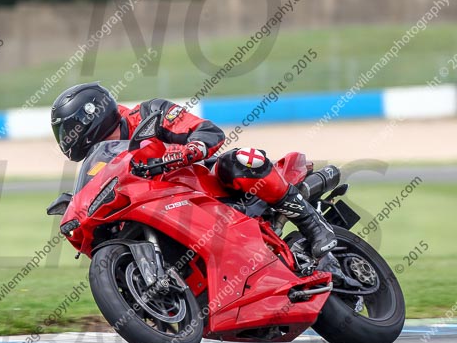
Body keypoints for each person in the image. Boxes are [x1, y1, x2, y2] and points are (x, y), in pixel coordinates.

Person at [50, 82, 340, 271]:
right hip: (157, 209)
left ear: (90, 116)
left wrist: (189, 149)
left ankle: (312, 225)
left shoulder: (149, 114)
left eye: (69, 129)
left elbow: (209, 131)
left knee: (239, 161)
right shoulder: (97, 162)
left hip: (202, 183)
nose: (67, 139)